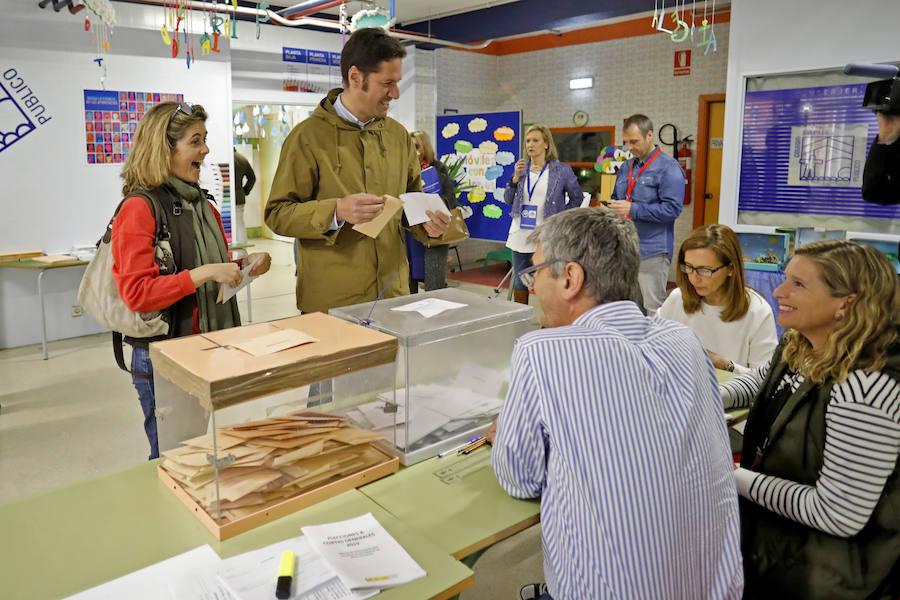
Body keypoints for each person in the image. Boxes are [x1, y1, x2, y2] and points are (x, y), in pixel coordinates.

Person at [489, 207, 743, 600]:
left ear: (570, 278)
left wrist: (508, 431)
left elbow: (520, 479)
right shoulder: (683, 341)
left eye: (536, 271)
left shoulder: (541, 352)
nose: (534, 286)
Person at [720, 239, 900, 599]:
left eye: (798, 284)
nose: (779, 291)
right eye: (785, 278)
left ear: (846, 302)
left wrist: (730, 474)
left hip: (829, 578)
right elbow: (761, 383)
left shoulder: (865, 385)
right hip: (781, 553)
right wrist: (703, 395)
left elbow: (837, 513)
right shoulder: (802, 342)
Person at [112, 101, 272, 460]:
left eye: (205, 139)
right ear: (164, 148)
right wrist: (204, 274)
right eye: (195, 141)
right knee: (172, 456)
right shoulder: (139, 207)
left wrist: (244, 266)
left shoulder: (203, 204)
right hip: (164, 354)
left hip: (204, 348)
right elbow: (137, 294)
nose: (206, 149)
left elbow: (210, 269)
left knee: (195, 447)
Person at [265, 28, 448, 314]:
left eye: (397, 83)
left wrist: (427, 224)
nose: (396, 94)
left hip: (393, 296)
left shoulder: (398, 136)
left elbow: (412, 202)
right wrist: (336, 211)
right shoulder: (307, 138)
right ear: (355, 77)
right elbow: (277, 213)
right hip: (333, 302)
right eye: (388, 83)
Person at [658, 224, 778, 375]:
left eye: (704, 270)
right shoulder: (677, 298)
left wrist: (726, 365)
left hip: (730, 396)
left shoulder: (757, 310)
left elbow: (764, 382)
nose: (694, 278)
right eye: (688, 266)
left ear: (731, 269)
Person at [609, 114, 685, 315]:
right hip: (625, 250)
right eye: (626, 142)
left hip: (652, 251)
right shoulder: (626, 167)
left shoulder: (669, 167)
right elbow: (618, 197)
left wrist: (632, 209)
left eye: (634, 141)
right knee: (627, 308)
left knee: (653, 310)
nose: (629, 148)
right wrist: (612, 207)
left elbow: (672, 210)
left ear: (649, 135)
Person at [503, 124, 583, 305]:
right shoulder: (521, 169)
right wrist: (514, 178)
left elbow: (576, 198)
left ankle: (550, 322)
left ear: (546, 144)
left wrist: (559, 219)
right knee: (520, 279)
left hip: (547, 234)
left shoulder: (561, 170)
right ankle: (521, 319)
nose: (530, 145)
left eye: (536, 140)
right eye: (528, 141)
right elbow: (508, 199)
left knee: (549, 280)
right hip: (520, 232)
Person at [406, 129, 458, 293]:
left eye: (416, 146)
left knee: (434, 286)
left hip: (433, 230)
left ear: (424, 148)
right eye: (408, 146)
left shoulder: (437, 169)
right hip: (409, 233)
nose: (412, 150)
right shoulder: (401, 170)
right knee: (408, 284)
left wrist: (434, 203)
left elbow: (451, 196)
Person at [232, 147, 256, 242]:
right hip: (239, 196)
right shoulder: (242, 158)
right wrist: (245, 191)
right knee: (239, 224)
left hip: (224, 196)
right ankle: (242, 249)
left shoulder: (225, 158)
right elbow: (252, 178)